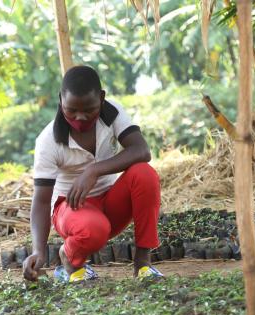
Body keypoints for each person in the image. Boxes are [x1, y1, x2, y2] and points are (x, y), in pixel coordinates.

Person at [23, 65, 162, 282]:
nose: (80, 117)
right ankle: (68, 256)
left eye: (89, 110)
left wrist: (95, 170)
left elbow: (141, 150)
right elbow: (41, 201)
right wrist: (38, 252)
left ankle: (143, 264)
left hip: (110, 205)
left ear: (102, 99)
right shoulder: (48, 141)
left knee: (145, 174)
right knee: (93, 228)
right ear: (61, 100)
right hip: (72, 210)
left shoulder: (112, 113)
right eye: (71, 110)